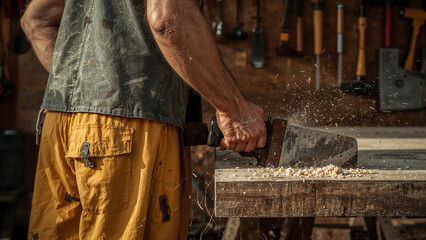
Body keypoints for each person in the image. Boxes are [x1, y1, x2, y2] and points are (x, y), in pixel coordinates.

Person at [21, 0, 266, 239]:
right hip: (124, 134)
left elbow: (35, 21)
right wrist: (234, 109)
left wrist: (92, 93)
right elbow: (168, 19)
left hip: (59, 125)